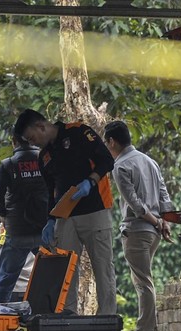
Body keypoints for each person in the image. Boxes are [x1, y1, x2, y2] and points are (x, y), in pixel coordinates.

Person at [14, 108, 117, 315]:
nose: (33, 144)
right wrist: (50, 220)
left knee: (103, 268)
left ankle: (107, 317)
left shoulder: (78, 132)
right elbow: (51, 192)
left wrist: (90, 181)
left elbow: (107, 160)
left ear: (41, 126)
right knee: (65, 269)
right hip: (65, 217)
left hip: (94, 211)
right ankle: (68, 314)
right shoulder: (44, 157)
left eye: (32, 138)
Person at [103, 121, 172, 331]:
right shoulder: (149, 161)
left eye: (107, 142)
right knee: (145, 279)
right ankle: (152, 330)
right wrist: (164, 221)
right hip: (154, 232)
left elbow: (135, 204)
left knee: (142, 281)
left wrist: (155, 220)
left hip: (137, 229)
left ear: (112, 141)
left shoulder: (120, 166)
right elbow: (164, 193)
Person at [0, 132, 48, 304]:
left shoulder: (8, 165)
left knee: (5, 280)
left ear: (14, 142)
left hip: (17, 230)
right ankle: (50, 317)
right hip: (44, 229)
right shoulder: (46, 161)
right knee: (53, 275)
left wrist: (4, 216)